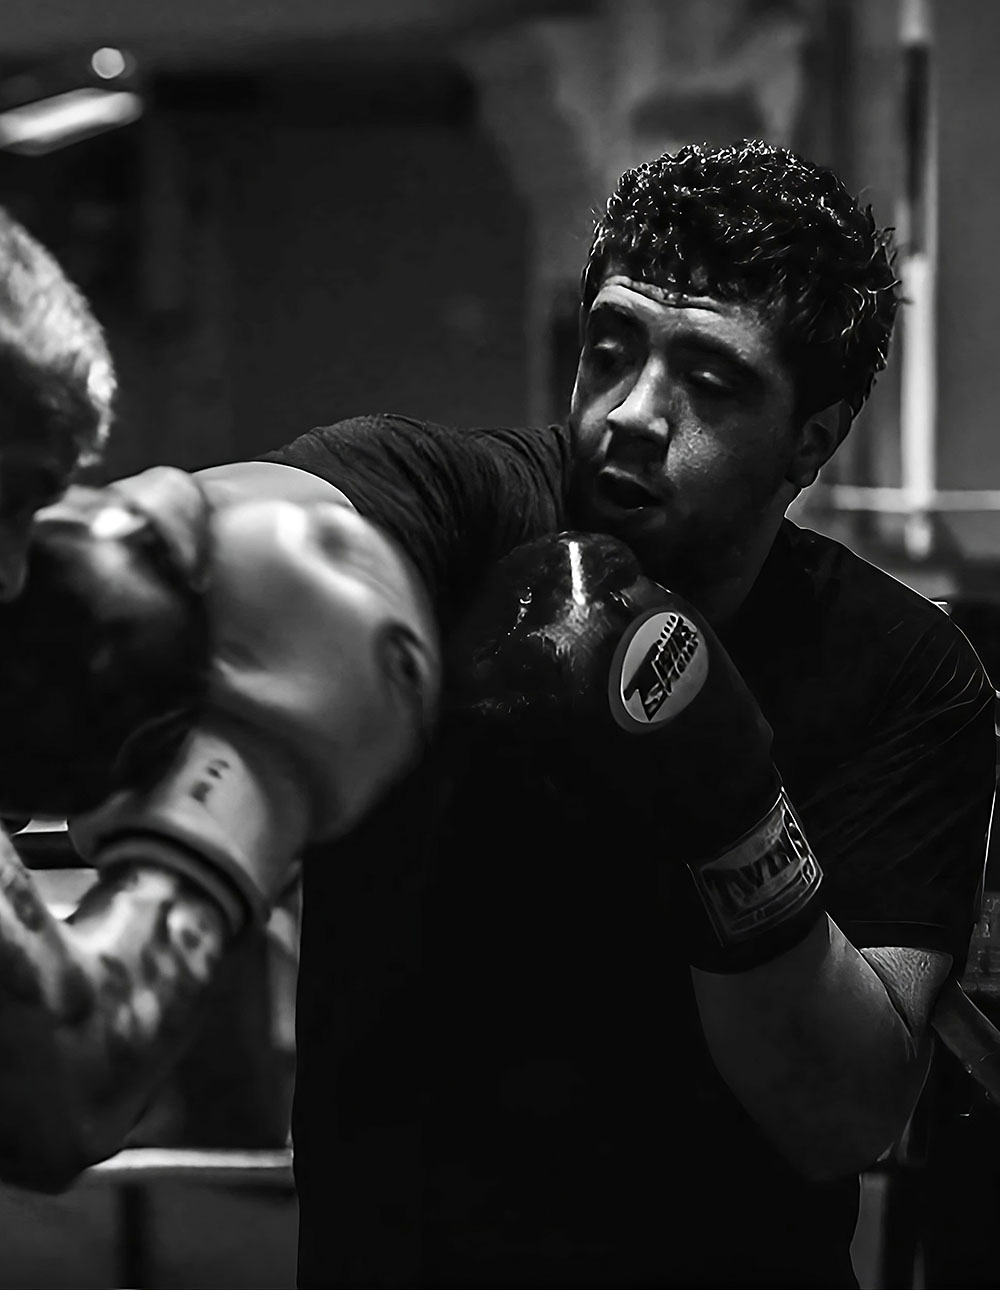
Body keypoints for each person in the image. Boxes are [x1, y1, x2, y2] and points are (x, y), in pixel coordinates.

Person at [0, 139, 993, 1290]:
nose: (631, 413)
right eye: (610, 352)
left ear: (812, 439)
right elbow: (284, 525)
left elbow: (847, 1116)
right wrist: (134, 552)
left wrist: (730, 812)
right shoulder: (464, 512)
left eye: (710, 385)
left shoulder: (905, 669)